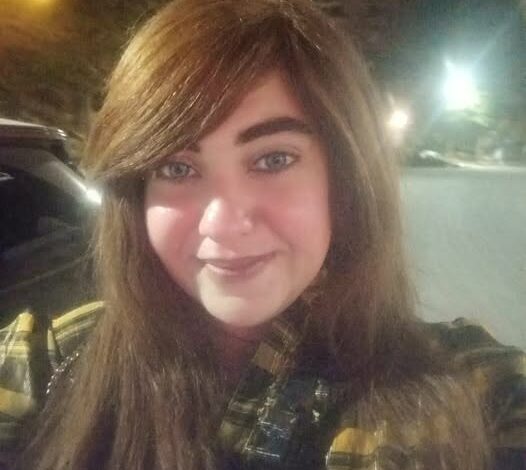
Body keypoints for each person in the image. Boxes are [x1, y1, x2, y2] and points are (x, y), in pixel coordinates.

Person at [0, 0, 524, 469]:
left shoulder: (475, 396)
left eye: (273, 159)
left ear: (345, 175)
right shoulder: (46, 364)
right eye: (176, 168)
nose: (223, 222)